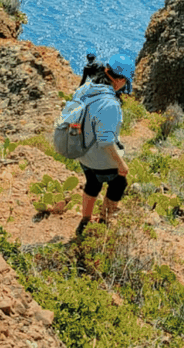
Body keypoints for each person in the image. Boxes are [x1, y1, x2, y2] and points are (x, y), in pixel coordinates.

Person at [74, 53, 133, 236]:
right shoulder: (110, 103)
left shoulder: (87, 87)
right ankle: (104, 222)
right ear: (120, 80)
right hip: (99, 157)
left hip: (83, 153)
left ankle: (84, 220)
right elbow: (106, 141)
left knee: (92, 182)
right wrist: (121, 163)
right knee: (119, 183)